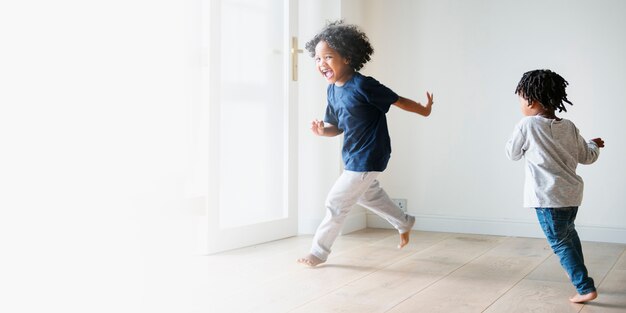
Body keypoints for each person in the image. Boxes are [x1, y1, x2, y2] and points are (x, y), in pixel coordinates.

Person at [297, 20, 434, 267]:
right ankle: (403, 221)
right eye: (317, 59)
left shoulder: (363, 85)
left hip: (370, 154)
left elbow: (397, 100)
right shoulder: (332, 91)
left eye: (327, 57)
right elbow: (337, 127)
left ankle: (318, 252)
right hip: (353, 156)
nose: (321, 64)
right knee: (368, 196)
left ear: (347, 57)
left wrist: (424, 110)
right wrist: (321, 131)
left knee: (336, 202)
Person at [505, 69, 604, 303]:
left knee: (560, 243)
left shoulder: (526, 125)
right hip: (571, 196)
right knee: (569, 235)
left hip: (547, 198)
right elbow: (587, 157)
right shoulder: (569, 126)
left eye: (520, 98)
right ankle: (585, 280)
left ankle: (584, 287)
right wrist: (594, 144)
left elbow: (512, 154)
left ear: (533, 100)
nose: (520, 104)